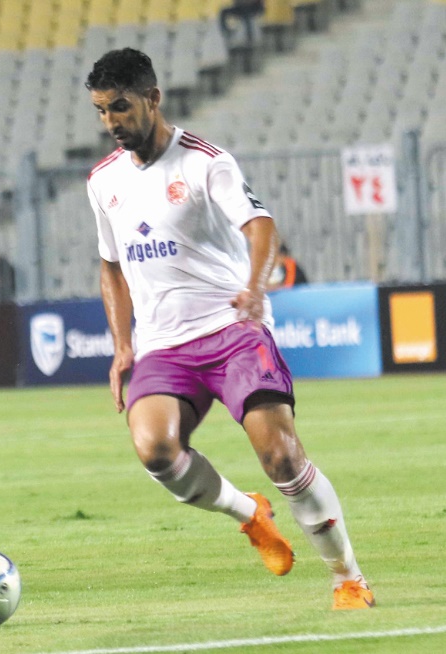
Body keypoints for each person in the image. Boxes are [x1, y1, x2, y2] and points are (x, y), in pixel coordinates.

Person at [84, 48, 373, 610]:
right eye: (100, 111)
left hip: (231, 328)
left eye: (120, 107)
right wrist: (123, 348)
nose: (111, 123)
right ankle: (249, 513)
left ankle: (348, 578)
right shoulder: (102, 182)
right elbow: (110, 266)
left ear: (153, 98)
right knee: (155, 450)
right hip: (163, 344)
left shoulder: (205, 161)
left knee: (283, 458)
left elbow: (260, 224)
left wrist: (257, 285)